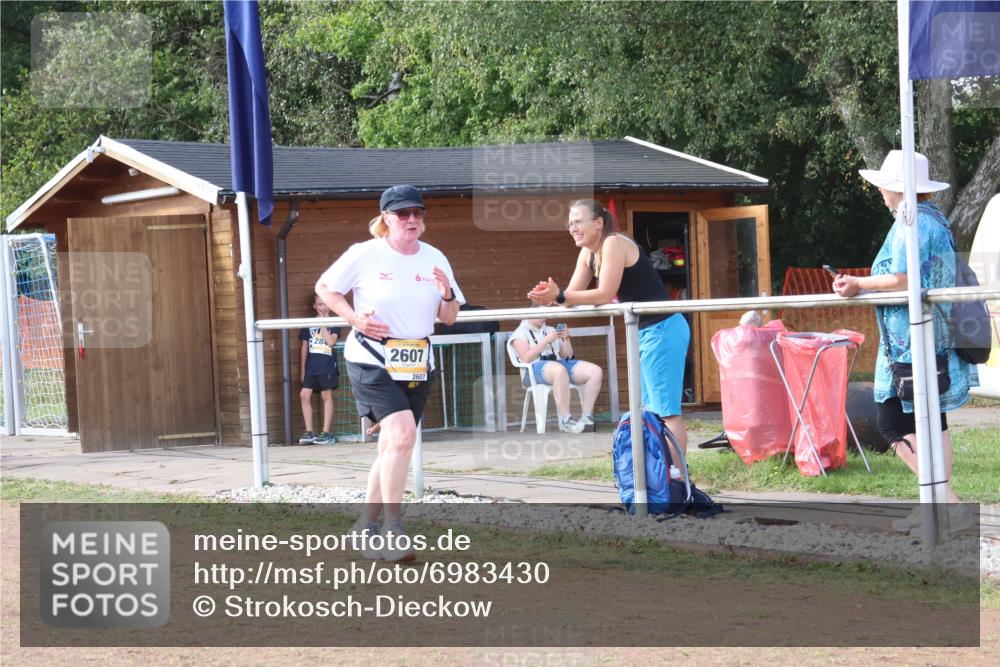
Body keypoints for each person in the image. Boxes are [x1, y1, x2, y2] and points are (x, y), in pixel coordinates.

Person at [832, 150, 977, 534]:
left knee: (892, 423)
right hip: (926, 337)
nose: (880, 191)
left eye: (883, 184)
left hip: (911, 341)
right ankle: (935, 505)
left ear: (895, 187)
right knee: (931, 420)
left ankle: (946, 503)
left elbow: (905, 278)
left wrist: (858, 283)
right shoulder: (933, 219)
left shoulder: (911, 221)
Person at [316, 184, 463, 561]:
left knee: (393, 446)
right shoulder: (364, 253)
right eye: (403, 214)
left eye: (418, 213)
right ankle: (393, 529)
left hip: (417, 360)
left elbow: (449, 317)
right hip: (371, 357)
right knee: (402, 435)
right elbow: (325, 288)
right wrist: (354, 318)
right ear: (386, 218)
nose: (412, 219)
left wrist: (447, 295)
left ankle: (364, 527)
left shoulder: (434, 257)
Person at [527, 199, 691, 452]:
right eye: (570, 224)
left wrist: (560, 296)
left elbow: (604, 293)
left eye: (578, 222)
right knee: (650, 411)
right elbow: (570, 297)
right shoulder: (587, 253)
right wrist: (550, 297)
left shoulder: (614, 242)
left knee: (666, 412)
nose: (573, 228)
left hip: (663, 328)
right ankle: (658, 470)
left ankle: (677, 472)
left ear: (598, 222)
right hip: (643, 332)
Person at [509, 306, 604, 433]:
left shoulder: (550, 330)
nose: (543, 318)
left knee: (595, 371)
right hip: (533, 369)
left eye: (545, 314)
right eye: (539, 314)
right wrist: (545, 341)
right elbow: (526, 358)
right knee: (559, 370)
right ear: (528, 314)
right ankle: (566, 419)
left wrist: (566, 338)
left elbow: (567, 355)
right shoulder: (519, 333)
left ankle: (586, 418)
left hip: (558, 363)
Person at [298, 293, 343, 445]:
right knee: (304, 395)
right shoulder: (309, 323)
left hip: (327, 365)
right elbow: (304, 347)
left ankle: (326, 432)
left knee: (326, 395)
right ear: (314, 306)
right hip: (311, 366)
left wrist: (323, 323)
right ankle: (309, 431)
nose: (323, 307)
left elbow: (330, 342)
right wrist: (303, 370)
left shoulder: (335, 322)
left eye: (325, 304)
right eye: (320, 304)